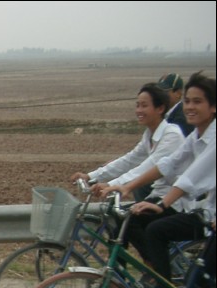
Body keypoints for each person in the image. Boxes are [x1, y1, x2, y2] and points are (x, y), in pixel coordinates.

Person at [101, 71, 216, 283]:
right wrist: (126, 187)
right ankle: (133, 281)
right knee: (129, 223)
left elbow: (191, 176)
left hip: (197, 211)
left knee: (157, 231)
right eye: (187, 101)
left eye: (197, 102)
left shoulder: (204, 137)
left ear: (213, 107)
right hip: (205, 212)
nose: (189, 107)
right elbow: (167, 164)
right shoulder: (197, 135)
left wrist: (162, 204)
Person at [70, 83, 186, 254]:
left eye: (144, 105)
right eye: (137, 105)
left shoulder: (171, 135)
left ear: (160, 108)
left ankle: (153, 268)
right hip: (159, 195)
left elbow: (147, 167)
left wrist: (113, 184)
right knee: (118, 226)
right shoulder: (149, 135)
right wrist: (91, 176)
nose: (139, 110)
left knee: (130, 221)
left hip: (176, 200)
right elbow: (129, 160)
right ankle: (118, 276)